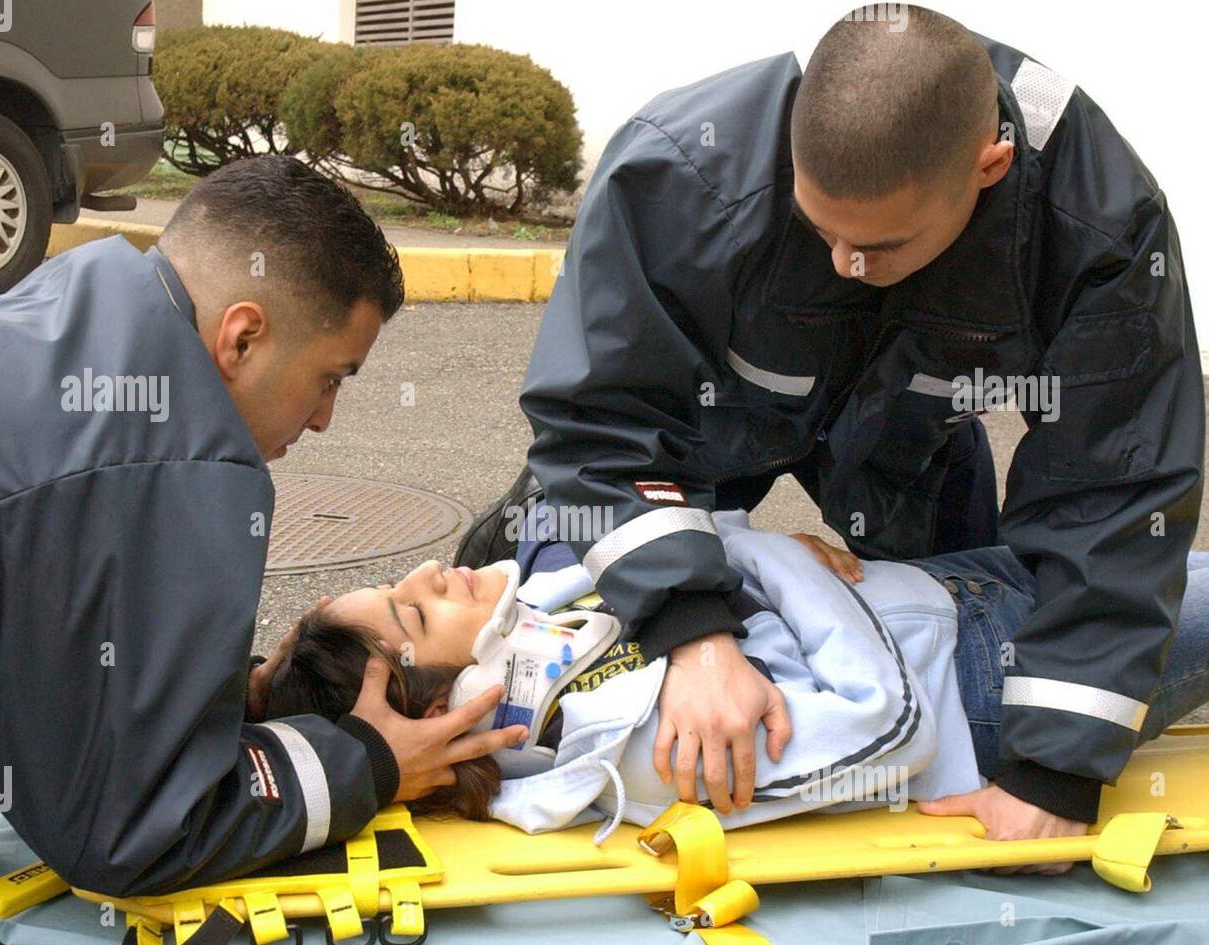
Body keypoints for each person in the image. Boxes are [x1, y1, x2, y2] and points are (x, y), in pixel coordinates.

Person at [505, 7, 1204, 849]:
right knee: (557, 583)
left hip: (911, 436)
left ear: (991, 167)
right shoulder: (683, 172)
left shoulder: (1099, 225)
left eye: (880, 242)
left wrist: (1054, 769)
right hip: (711, 425)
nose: (846, 264)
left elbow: (1117, 487)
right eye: (820, 229)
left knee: (963, 640)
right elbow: (601, 418)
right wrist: (693, 630)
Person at [0, 156, 526, 901]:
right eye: (331, 377)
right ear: (241, 340)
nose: (325, 418)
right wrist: (366, 760)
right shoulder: (162, 455)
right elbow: (133, 834)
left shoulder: (87, 304)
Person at [263, 526, 1209, 875]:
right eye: (413, 609)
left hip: (945, 592)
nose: (433, 571)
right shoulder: (622, 744)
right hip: (990, 686)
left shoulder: (543, 629)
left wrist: (750, 577)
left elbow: (625, 552)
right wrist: (760, 553)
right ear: (449, 707)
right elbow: (888, 726)